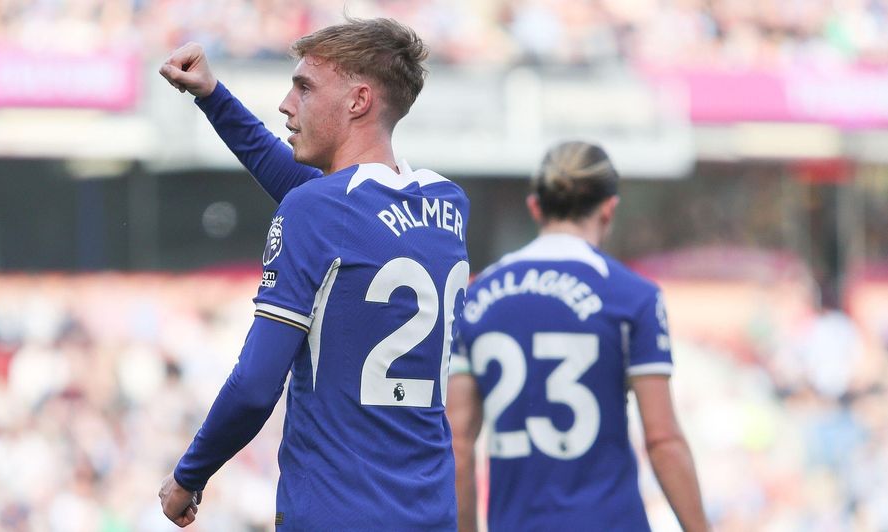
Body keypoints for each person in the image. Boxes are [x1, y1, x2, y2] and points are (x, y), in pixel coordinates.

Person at [156, 18, 470, 530]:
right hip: (431, 513)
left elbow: (257, 385)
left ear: (358, 101)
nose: (286, 103)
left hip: (335, 512)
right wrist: (212, 96)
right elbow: (316, 193)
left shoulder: (318, 211)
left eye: (304, 87)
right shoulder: (447, 205)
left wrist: (189, 475)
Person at [446, 141, 708, 532]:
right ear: (609, 209)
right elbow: (663, 440)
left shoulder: (476, 296)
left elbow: (459, 444)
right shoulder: (633, 297)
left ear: (535, 207)